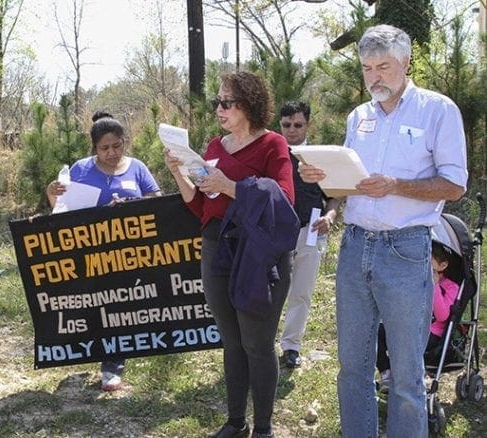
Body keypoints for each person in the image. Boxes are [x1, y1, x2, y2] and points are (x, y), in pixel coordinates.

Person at [299, 25, 467, 437]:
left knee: (406, 372)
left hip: (406, 249)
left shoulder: (438, 111)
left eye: (384, 67)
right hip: (356, 247)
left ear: (406, 64)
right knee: (352, 365)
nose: (375, 77)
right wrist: (321, 178)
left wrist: (396, 185)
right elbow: (347, 186)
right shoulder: (359, 116)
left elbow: (455, 184)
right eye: (367, 68)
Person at [164, 71, 298, 438]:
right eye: (217, 102)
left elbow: (283, 201)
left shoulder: (273, 145)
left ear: (249, 105)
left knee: (257, 343)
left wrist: (230, 186)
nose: (219, 109)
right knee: (232, 341)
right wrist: (180, 174)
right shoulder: (212, 147)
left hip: (257, 255)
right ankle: (236, 422)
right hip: (216, 249)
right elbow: (200, 207)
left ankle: (264, 429)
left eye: (226, 102)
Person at [46, 111, 161, 391]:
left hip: (131, 253)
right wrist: (52, 193)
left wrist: (132, 207)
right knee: (99, 305)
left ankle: (114, 364)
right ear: (94, 148)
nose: (111, 153)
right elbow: (62, 209)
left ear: (125, 142)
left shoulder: (137, 168)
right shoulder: (81, 169)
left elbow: (157, 201)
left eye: (116, 146)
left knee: (122, 306)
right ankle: (101, 354)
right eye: (104, 148)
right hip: (93, 254)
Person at [278, 101, 341, 369]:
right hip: (274, 233)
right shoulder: (272, 153)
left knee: (301, 292)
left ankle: (291, 346)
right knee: (269, 291)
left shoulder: (319, 156)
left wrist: (330, 216)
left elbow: (336, 196)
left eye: (298, 125)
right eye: (286, 125)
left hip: (310, 231)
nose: (292, 130)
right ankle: (260, 346)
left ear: (308, 125)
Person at [376, 241, 462, 389]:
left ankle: (411, 377)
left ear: (442, 265)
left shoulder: (451, 287)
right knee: (378, 330)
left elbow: (442, 316)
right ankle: (387, 371)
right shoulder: (417, 279)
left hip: (432, 332)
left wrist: (434, 286)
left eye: (428, 260)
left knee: (408, 339)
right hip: (411, 324)